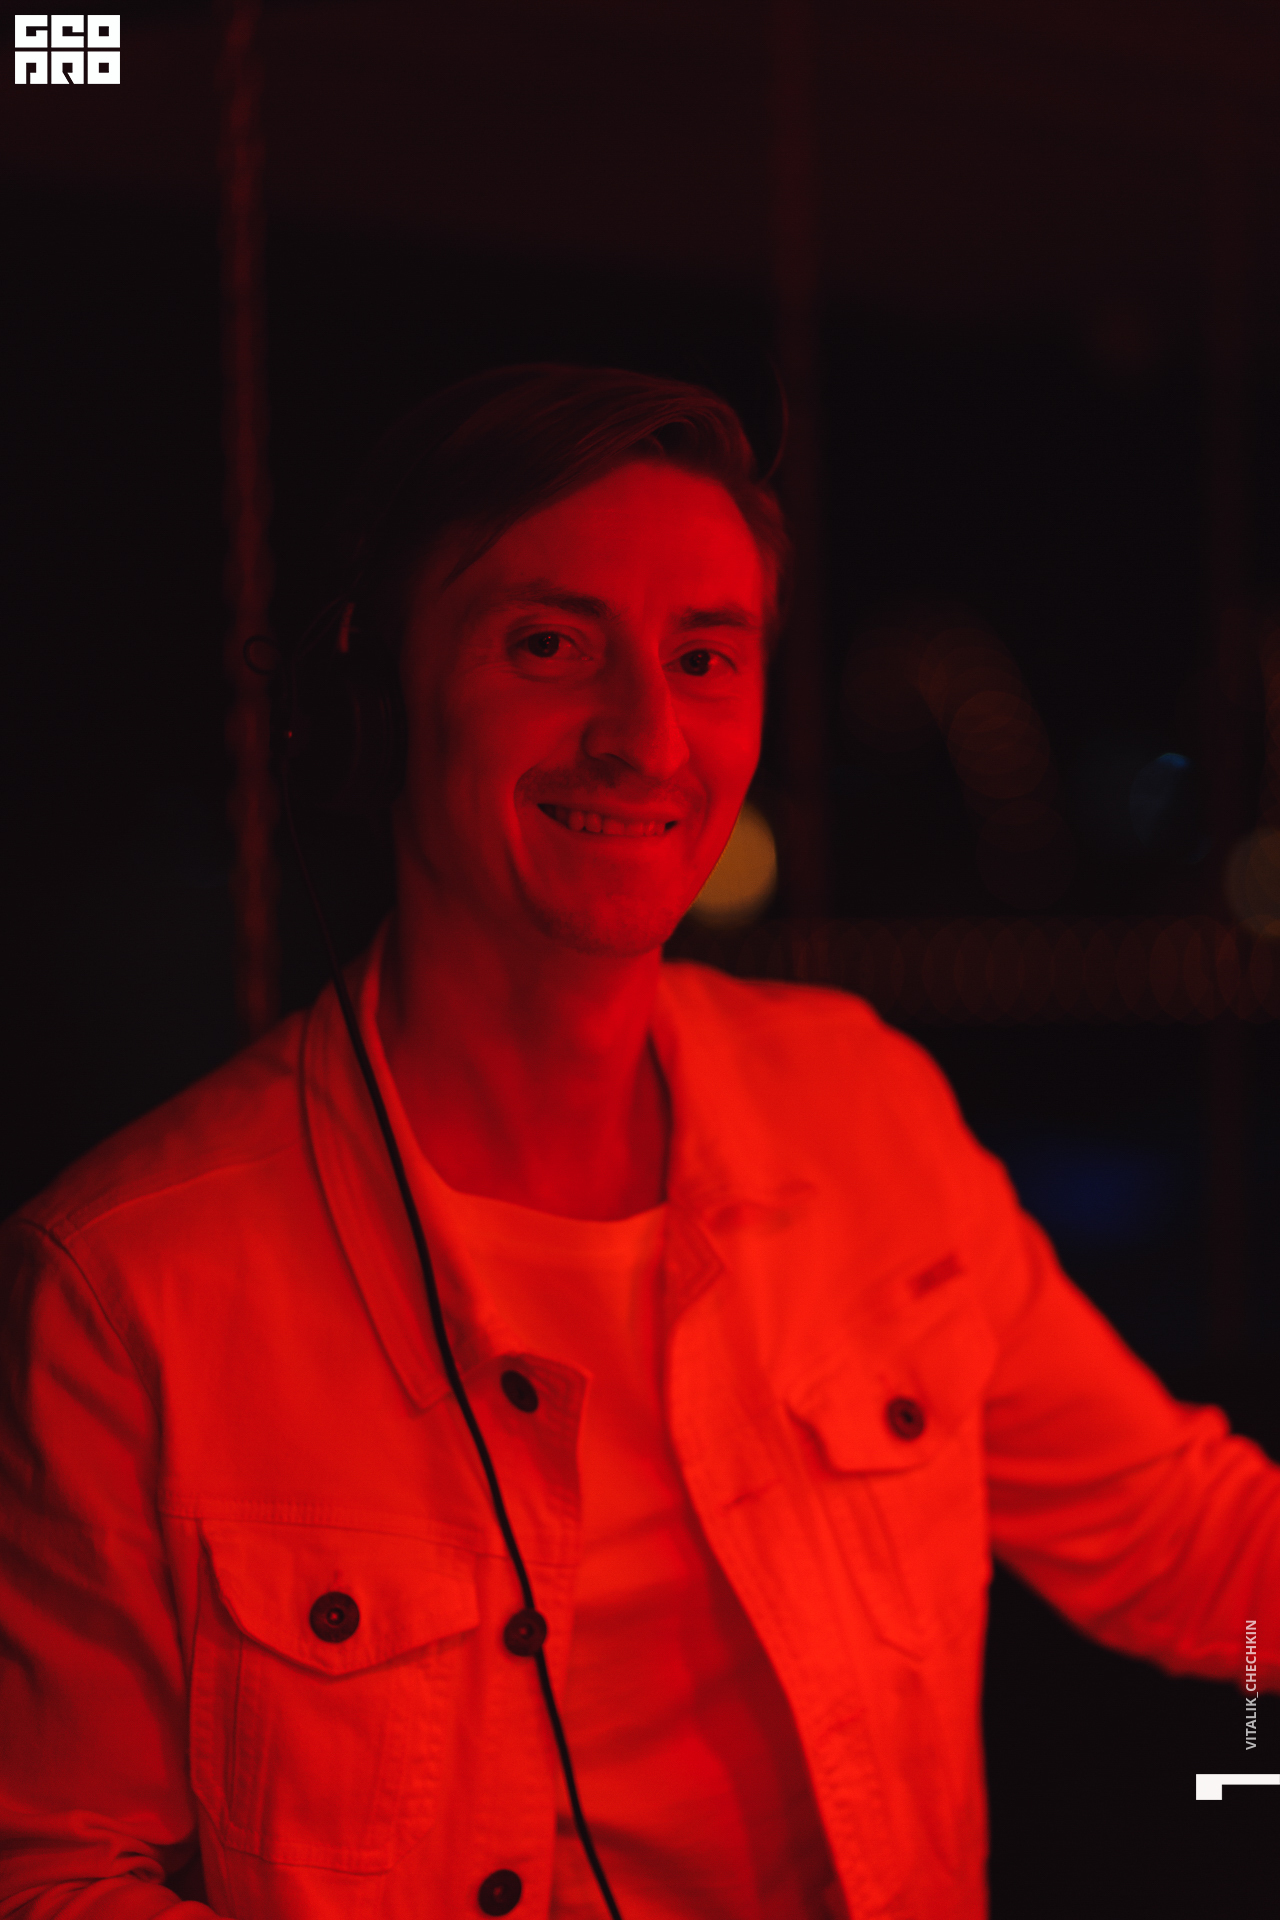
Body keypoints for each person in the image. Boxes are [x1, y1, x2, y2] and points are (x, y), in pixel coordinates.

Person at [0, 364, 1276, 1920]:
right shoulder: (128, 1287)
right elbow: (55, 1870)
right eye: (550, 645)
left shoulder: (862, 1106)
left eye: (704, 658)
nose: (645, 737)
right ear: (375, 698)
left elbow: (1187, 1541)